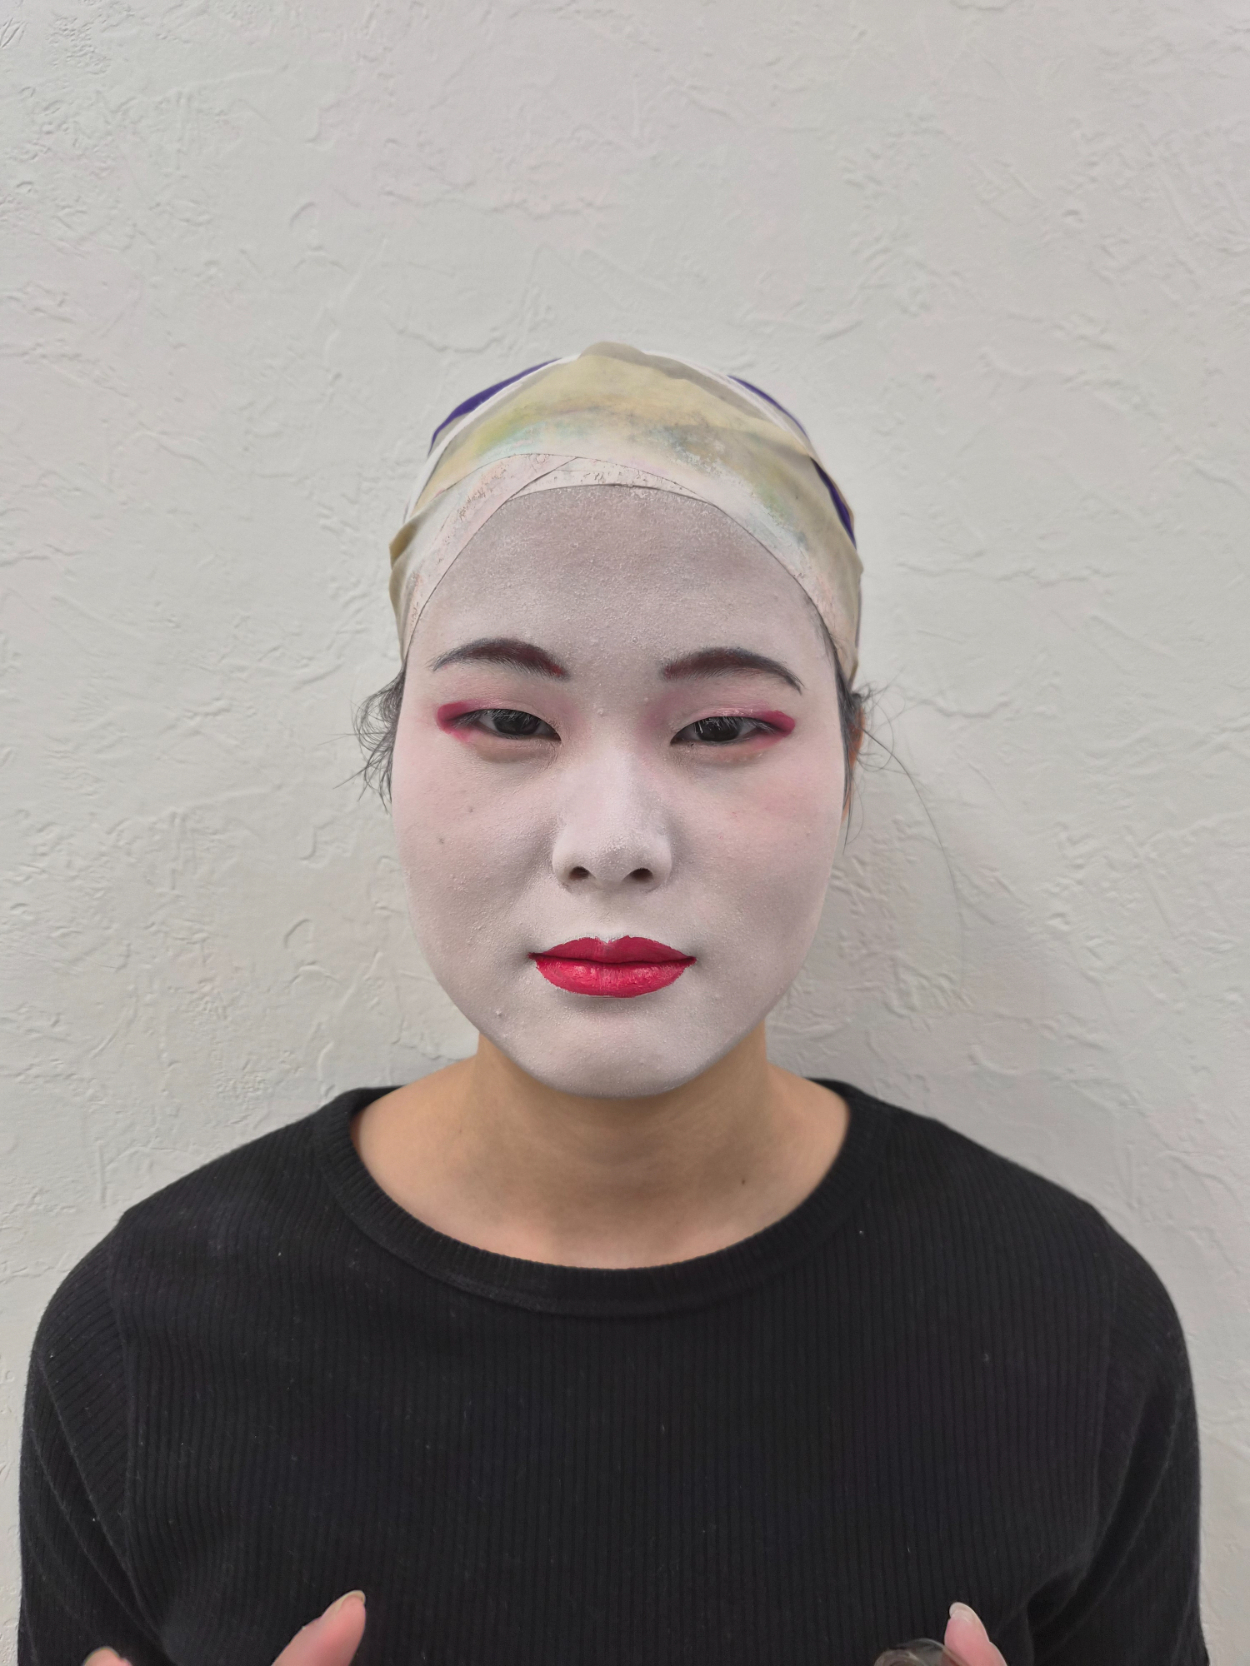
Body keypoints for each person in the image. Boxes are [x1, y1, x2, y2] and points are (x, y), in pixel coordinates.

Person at [19, 344, 1206, 1666]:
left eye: (722, 729)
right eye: (508, 720)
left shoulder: (1065, 1323)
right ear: (394, 747)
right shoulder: (150, 1340)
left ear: (849, 762)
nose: (612, 843)